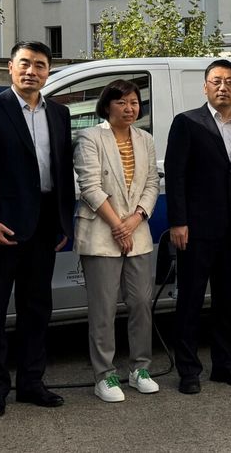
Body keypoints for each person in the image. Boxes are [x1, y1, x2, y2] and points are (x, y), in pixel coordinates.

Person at [0, 41, 75, 417]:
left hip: (45, 225)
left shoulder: (59, 114)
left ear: (49, 72)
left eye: (41, 65)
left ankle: (31, 383)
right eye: (25, 64)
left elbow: (62, 172)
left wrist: (64, 221)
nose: (32, 71)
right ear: (10, 68)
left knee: (36, 310)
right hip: (2, 227)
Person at [164, 59, 231, 394]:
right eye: (216, 81)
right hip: (196, 231)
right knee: (189, 302)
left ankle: (225, 366)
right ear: (205, 86)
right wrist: (178, 221)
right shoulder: (187, 123)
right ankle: (189, 370)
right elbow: (176, 175)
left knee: (227, 304)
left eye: (230, 81)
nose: (223, 87)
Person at [73, 79, 161, 402]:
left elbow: (152, 184)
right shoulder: (90, 137)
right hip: (101, 232)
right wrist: (118, 225)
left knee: (140, 302)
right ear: (107, 105)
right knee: (104, 308)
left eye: (134, 102)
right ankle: (105, 375)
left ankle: (140, 368)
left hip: (136, 232)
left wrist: (134, 220)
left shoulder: (145, 139)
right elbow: (89, 186)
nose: (129, 108)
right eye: (122, 102)